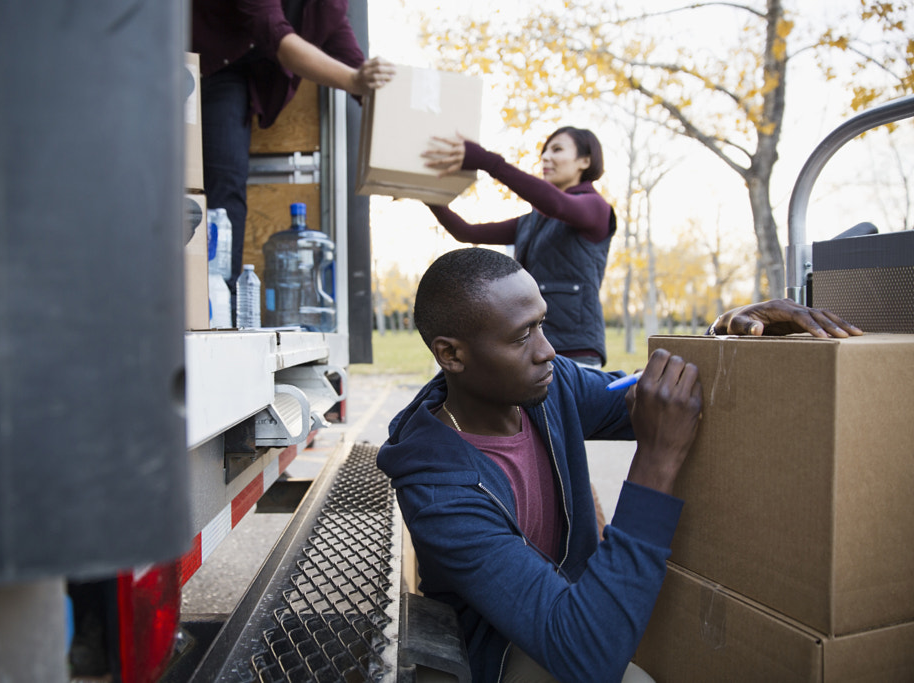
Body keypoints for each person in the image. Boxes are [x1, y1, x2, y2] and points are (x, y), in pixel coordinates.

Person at [376, 248, 861, 683]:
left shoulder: (546, 386)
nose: (547, 350)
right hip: (496, 651)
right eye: (521, 336)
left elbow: (652, 399)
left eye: (542, 324)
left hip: (574, 604)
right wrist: (656, 461)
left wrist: (724, 335)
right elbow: (586, 656)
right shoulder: (439, 489)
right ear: (451, 354)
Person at [192, 0, 395, 284]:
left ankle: (222, 300)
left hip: (232, 77)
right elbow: (274, 34)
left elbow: (360, 76)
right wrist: (354, 80)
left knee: (227, 186)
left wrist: (397, 168)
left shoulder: (330, 7)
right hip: (191, 59)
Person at [420, 127, 615, 368]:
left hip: (576, 349)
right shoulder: (532, 221)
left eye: (557, 149)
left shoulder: (596, 207)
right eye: (543, 152)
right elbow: (466, 232)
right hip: (533, 343)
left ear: (585, 161)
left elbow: (556, 204)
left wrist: (487, 161)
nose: (545, 157)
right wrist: (425, 191)